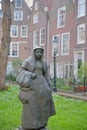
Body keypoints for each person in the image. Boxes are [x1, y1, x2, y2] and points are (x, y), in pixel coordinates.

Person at [16, 46, 56, 130]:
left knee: (43, 105)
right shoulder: (28, 61)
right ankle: (29, 124)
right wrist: (30, 74)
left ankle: (41, 124)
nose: (39, 54)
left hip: (42, 86)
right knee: (32, 105)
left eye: (40, 52)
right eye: (37, 52)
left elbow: (46, 75)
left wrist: (49, 86)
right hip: (32, 86)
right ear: (34, 52)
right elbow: (21, 72)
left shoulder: (44, 63)